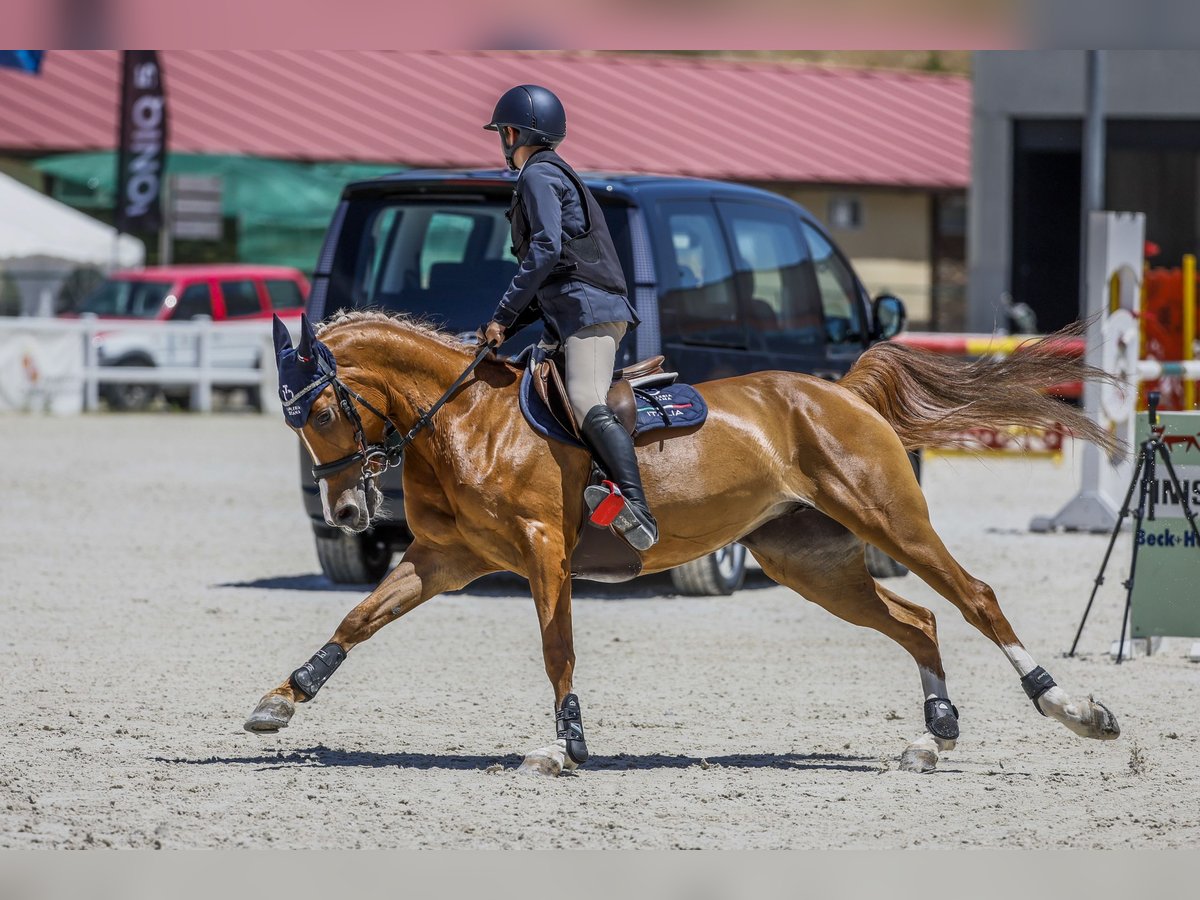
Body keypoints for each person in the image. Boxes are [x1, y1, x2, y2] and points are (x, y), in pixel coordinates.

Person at [477, 84, 658, 550]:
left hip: (589, 310)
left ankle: (638, 508)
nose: (503, 141)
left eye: (503, 132)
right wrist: (506, 326)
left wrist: (502, 312)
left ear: (513, 133)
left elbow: (545, 249)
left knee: (583, 398)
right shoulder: (550, 173)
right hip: (573, 308)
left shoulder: (538, 176)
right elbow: (550, 273)